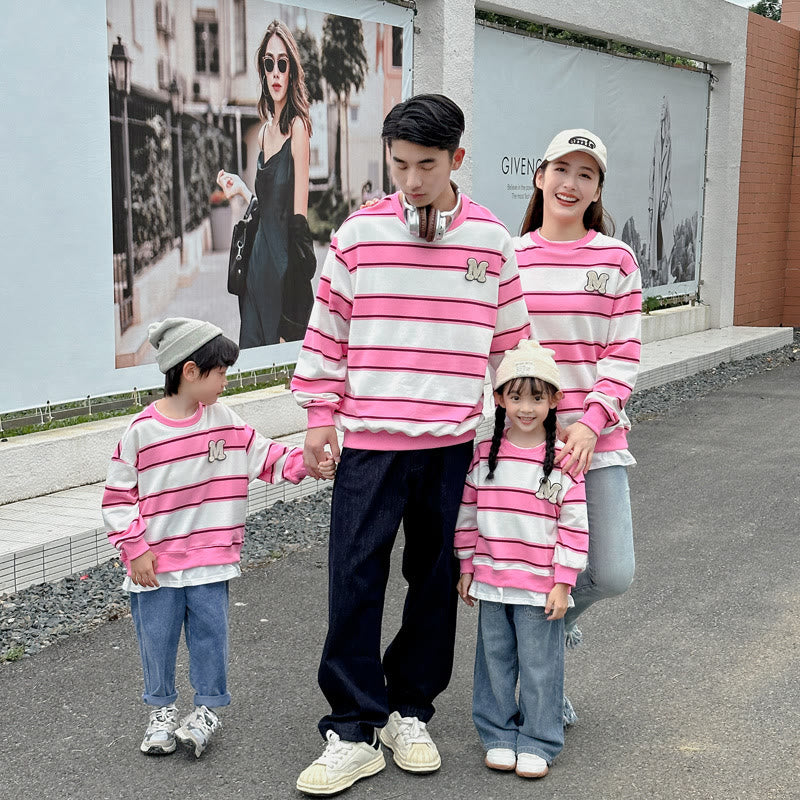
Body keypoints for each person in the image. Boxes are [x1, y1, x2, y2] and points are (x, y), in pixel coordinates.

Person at [290, 93, 531, 796]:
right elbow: (328, 329)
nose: (413, 179)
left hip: (452, 442)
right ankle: (352, 726)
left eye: (427, 165)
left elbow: (513, 348)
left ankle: (410, 709)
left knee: (432, 582)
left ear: (457, 159)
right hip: (368, 442)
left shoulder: (491, 241)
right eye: (400, 165)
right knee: (355, 576)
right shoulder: (360, 234)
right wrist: (316, 416)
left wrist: (524, 432)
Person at [101, 317, 334, 758]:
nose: (227, 380)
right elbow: (116, 497)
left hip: (210, 561)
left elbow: (266, 456)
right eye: (221, 372)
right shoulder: (140, 433)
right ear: (190, 372)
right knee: (157, 641)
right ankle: (161, 712)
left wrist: (308, 464)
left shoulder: (224, 420)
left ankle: (207, 711)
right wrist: (135, 549)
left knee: (211, 637)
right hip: (156, 566)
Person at [514, 129, 642, 722]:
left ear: (597, 190)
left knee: (612, 572)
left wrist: (591, 423)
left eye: (585, 174)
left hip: (595, 441)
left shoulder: (616, 260)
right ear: (540, 177)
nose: (571, 182)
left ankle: (555, 631)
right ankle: (540, 683)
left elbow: (622, 354)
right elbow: (499, 354)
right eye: (561, 169)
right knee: (532, 571)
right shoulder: (510, 259)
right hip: (523, 446)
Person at [454, 339, 588, 779]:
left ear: (554, 399)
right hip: (492, 582)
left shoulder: (565, 464)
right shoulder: (483, 457)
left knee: (539, 665)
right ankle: (497, 732)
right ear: (499, 399)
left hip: (539, 587)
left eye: (537, 396)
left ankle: (539, 738)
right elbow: (469, 515)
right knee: (494, 659)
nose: (526, 407)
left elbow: (573, 526)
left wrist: (564, 581)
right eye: (515, 396)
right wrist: (466, 566)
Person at [217, 19, 313, 347]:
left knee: (282, 361)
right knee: (253, 353)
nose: (275, 72)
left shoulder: (298, 128)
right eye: (268, 63)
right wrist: (242, 189)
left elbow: (299, 219)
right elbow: (265, 203)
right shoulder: (262, 132)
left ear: (291, 71)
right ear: (262, 70)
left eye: (282, 64)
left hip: (283, 270)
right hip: (256, 268)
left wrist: (298, 294)